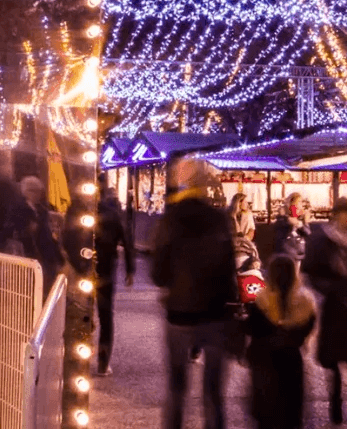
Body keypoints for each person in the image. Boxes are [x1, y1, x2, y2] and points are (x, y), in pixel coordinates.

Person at [152, 159, 239, 429]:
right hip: (215, 314)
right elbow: (229, 268)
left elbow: (159, 274)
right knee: (213, 393)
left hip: (179, 314)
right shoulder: (219, 219)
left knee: (177, 390)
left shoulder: (169, 220)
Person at [303, 197, 347, 429]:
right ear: (335, 214)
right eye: (344, 213)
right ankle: (335, 404)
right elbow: (310, 272)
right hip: (334, 306)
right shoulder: (321, 238)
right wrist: (331, 288)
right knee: (333, 362)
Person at [245, 254, 316, 429]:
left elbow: (252, 329)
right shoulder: (305, 302)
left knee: (267, 415)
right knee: (291, 414)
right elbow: (305, 331)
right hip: (291, 361)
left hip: (265, 362)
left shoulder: (261, 301)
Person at [93, 184, 135, 376]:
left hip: (84, 268)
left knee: (81, 313)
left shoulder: (80, 211)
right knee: (105, 316)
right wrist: (130, 269)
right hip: (105, 270)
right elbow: (126, 242)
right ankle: (103, 362)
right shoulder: (113, 215)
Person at [5, 176, 64, 289]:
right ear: (26, 192)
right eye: (33, 191)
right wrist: (26, 229)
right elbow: (10, 227)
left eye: (38, 191)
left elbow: (47, 234)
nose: (37, 195)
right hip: (27, 251)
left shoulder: (42, 210)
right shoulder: (18, 208)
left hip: (44, 251)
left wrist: (57, 254)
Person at [273, 193, 309, 259]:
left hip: (299, 251)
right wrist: (287, 219)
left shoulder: (303, 217)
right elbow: (278, 232)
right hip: (286, 251)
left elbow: (308, 232)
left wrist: (299, 224)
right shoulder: (283, 218)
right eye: (299, 202)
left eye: (301, 202)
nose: (301, 204)